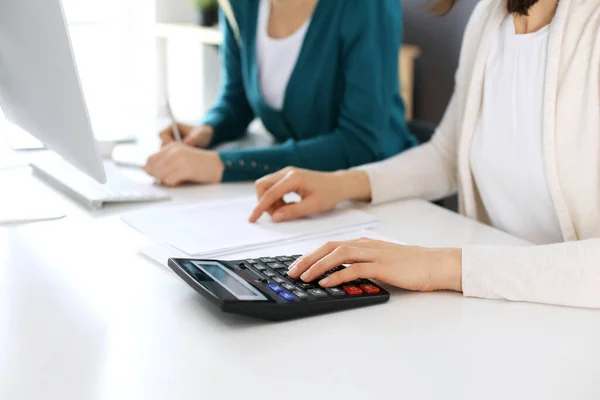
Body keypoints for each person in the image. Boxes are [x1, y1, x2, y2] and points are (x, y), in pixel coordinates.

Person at [248, 0, 600, 309]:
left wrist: (440, 267)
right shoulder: (490, 18)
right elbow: (448, 154)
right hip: (502, 304)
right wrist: (342, 185)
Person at [144, 0, 417, 186]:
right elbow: (236, 100)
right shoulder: (240, 5)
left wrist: (221, 165)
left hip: (378, 193)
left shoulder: (365, 6)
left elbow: (359, 145)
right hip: (299, 191)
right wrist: (208, 131)